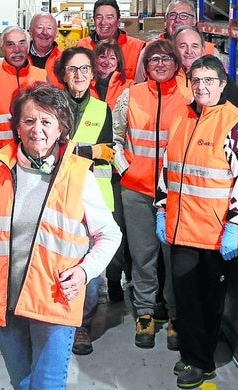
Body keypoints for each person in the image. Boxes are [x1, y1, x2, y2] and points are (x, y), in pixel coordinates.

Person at [0, 83, 121, 390]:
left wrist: (85, 271)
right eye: (29, 120)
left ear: (62, 128)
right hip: (3, 303)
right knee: (21, 385)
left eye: (46, 121)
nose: (37, 129)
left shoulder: (78, 175)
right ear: (17, 127)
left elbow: (109, 234)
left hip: (53, 304)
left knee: (46, 388)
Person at [155, 55, 238, 389]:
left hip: (215, 233)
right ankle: (193, 356)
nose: (201, 86)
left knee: (210, 300)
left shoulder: (234, 123)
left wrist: (235, 223)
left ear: (222, 85)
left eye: (209, 80)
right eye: (196, 80)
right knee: (186, 299)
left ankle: (201, 361)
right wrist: (160, 208)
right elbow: (167, 168)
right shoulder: (180, 117)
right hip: (182, 228)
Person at [112, 39, 190, 351]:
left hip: (174, 194)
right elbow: (115, 137)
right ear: (146, 65)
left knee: (174, 257)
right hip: (136, 190)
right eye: (154, 59)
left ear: (176, 63)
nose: (159, 64)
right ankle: (144, 312)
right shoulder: (130, 95)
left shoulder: (188, 96)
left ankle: (174, 315)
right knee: (143, 255)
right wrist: (125, 169)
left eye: (166, 58)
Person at [54, 46, 117, 356]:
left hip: (90, 195)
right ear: (63, 74)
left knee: (89, 265)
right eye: (72, 69)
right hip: (57, 193)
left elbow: (108, 152)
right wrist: (88, 150)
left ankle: (82, 324)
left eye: (84, 70)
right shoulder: (51, 105)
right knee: (59, 257)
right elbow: (49, 147)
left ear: (93, 75)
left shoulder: (102, 109)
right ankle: (57, 316)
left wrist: (81, 151)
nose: (78, 75)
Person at [90, 39, 135, 303]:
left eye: (112, 58)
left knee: (114, 226)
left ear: (119, 62)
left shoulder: (129, 89)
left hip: (117, 173)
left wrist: (124, 165)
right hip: (88, 170)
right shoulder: (86, 86)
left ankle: (114, 278)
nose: (106, 62)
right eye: (101, 57)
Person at [0, 26, 47, 153]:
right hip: (0, 157)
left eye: (22, 43)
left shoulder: (42, 77)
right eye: (10, 44)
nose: (17, 50)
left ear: (28, 46)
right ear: (1, 48)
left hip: (35, 156)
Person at [173, 25, 238, 116]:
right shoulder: (166, 78)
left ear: (202, 50)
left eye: (195, 46)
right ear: (174, 50)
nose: (189, 51)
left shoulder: (218, 77)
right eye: (183, 46)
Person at [77, 0, 145, 80]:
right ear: (94, 21)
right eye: (99, 17)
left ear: (118, 22)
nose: (103, 22)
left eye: (109, 17)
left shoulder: (138, 48)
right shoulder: (82, 46)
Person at [27, 12, 63, 87]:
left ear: (56, 33)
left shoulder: (64, 59)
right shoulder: (20, 58)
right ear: (30, 32)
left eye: (49, 28)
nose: (45, 32)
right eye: (40, 27)